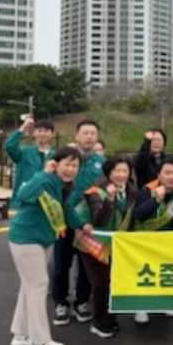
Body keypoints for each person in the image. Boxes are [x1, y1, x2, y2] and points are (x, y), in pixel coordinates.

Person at [7, 147, 93, 345]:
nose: (70, 169)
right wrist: (44, 173)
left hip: (44, 239)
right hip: (27, 238)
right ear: (56, 164)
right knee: (38, 286)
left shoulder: (66, 187)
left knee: (29, 286)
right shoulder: (45, 180)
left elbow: (66, 210)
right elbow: (23, 195)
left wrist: (82, 224)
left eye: (75, 165)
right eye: (67, 164)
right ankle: (39, 343)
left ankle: (21, 333)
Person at [76, 155, 138, 338]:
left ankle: (109, 320)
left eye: (125, 171)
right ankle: (99, 322)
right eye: (117, 171)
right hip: (92, 243)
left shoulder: (131, 190)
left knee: (112, 281)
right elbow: (99, 220)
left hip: (114, 244)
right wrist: (110, 200)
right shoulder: (96, 192)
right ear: (109, 173)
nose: (121, 175)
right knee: (101, 282)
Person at [51, 120, 105, 327]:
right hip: (64, 222)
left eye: (93, 133)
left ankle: (82, 301)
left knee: (85, 266)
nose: (89, 137)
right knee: (61, 265)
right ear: (76, 136)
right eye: (85, 133)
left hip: (88, 224)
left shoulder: (101, 163)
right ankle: (61, 302)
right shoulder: (65, 160)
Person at [132, 156, 173, 324]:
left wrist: (170, 244)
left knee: (165, 271)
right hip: (144, 239)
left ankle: (165, 302)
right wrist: (156, 200)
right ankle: (141, 306)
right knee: (145, 273)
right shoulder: (147, 190)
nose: (171, 177)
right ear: (159, 175)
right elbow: (140, 215)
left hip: (167, 239)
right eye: (167, 173)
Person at [4, 117, 55, 208]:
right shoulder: (24, 152)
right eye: (39, 130)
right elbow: (9, 146)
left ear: (52, 135)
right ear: (34, 133)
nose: (42, 134)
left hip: (46, 206)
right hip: (22, 203)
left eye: (46, 131)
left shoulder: (55, 157)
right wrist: (23, 127)